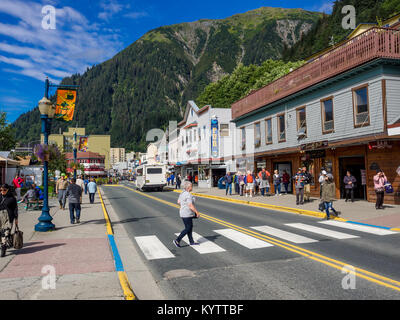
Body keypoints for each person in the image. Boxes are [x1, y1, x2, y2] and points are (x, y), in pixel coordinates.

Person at [173, 181, 200, 248]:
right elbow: (190, 205)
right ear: (188, 187)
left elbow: (178, 202)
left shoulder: (182, 193)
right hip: (187, 213)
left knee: (189, 228)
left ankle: (191, 241)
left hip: (183, 212)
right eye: (191, 186)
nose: (192, 187)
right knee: (188, 228)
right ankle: (177, 240)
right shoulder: (188, 194)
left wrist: (184, 205)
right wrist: (197, 212)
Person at [0, 184, 18, 257]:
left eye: (4, 190)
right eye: (1, 190)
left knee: (6, 232)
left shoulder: (12, 198)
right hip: (0, 216)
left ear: (8, 190)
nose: (2, 191)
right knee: (1, 233)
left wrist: (16, 219)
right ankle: (3, 244)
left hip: (9, 217)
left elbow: (15, 209)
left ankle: (3, 248)